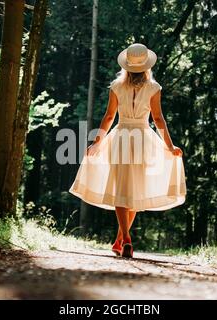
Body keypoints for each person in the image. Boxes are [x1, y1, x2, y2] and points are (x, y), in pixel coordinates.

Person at [69, 43, 186, 258]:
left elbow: (108, 117)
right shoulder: (154, 87)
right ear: (146, 66)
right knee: (134, 191)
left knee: (122, 189)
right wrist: (170, 146)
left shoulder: (116, 86)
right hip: (143, 139)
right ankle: (125, 239)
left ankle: (122, 239)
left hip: (120, 136)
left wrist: (97, 142)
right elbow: (158, 119)